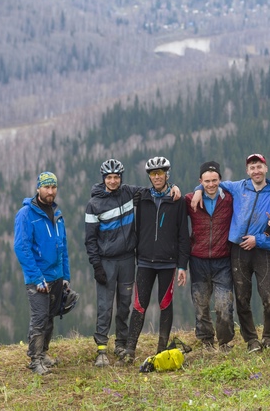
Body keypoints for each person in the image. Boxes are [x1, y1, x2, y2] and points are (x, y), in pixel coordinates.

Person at [192, 153, 270, 353]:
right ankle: (251, 339)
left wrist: (259, 240)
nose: (256, 171)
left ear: (266, 168)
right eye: (252, 167)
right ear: (247, 171)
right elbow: (212, 183)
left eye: (259, 167)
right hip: (237, 250)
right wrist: (198, 189)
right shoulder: (238, 187)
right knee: (242, 298)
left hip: (262, 250)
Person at [120, 157, 190, 363]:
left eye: (160, 173)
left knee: (165, 304)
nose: (157, 177)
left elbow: (183, 235)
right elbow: (115, 187)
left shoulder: (178, 201)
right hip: (144, 261)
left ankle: (161, 350)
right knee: (139, 305)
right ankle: (130, 350)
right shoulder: (141, 197)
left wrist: (182, 265)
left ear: (167, 174)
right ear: (149, 177)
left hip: (168, 262)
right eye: (153, 173)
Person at [13, 171, 72, 375]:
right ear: (38, 188)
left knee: (49, 318)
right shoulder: (26, 214)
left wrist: (66, 276)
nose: (50, 191)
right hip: (38, 278)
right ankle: (35, 360)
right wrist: (37, 277)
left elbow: (62, 247)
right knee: (39, 319)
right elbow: (21, 247)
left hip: (56, 276)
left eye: (53, 187)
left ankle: (44, 353)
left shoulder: (57, 212)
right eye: (46, 187)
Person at [84, 158, 139, 367]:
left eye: (117, 177)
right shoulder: (94, 204)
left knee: (124, 304)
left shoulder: (128, 192)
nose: (114, 181)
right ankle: (101, 350)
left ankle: (121, 344)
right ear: (104, 179)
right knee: (105, 306)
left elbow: (152, 190)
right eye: (110, 177)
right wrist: (96, 265)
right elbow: (90, 240)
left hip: (127, 259)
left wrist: (174, 188)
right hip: (106, 262)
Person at [184, 161, 236, 352]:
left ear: (220, 180)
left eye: (214, 180)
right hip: (198, 259)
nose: (211, 184)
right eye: (206, 181)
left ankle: (224, 342)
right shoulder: (191, 200)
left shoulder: (230, 199)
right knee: (201, 304)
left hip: (223, 260)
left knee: (224, 304)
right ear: (200, 181)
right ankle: (206, 340)